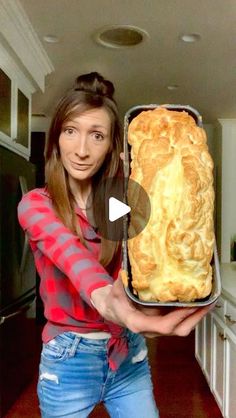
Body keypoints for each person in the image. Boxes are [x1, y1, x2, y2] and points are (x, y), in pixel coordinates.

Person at [18, 72, 214, 418]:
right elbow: (80, 265)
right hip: (68, 361)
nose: (81, 150)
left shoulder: (118, 203)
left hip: (128, 355)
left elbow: (154, 253)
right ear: (56, 138)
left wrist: (146, 178)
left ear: (112, 146)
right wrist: (121, 309)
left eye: (97, 136)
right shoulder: (37, 205)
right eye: (70, 131)